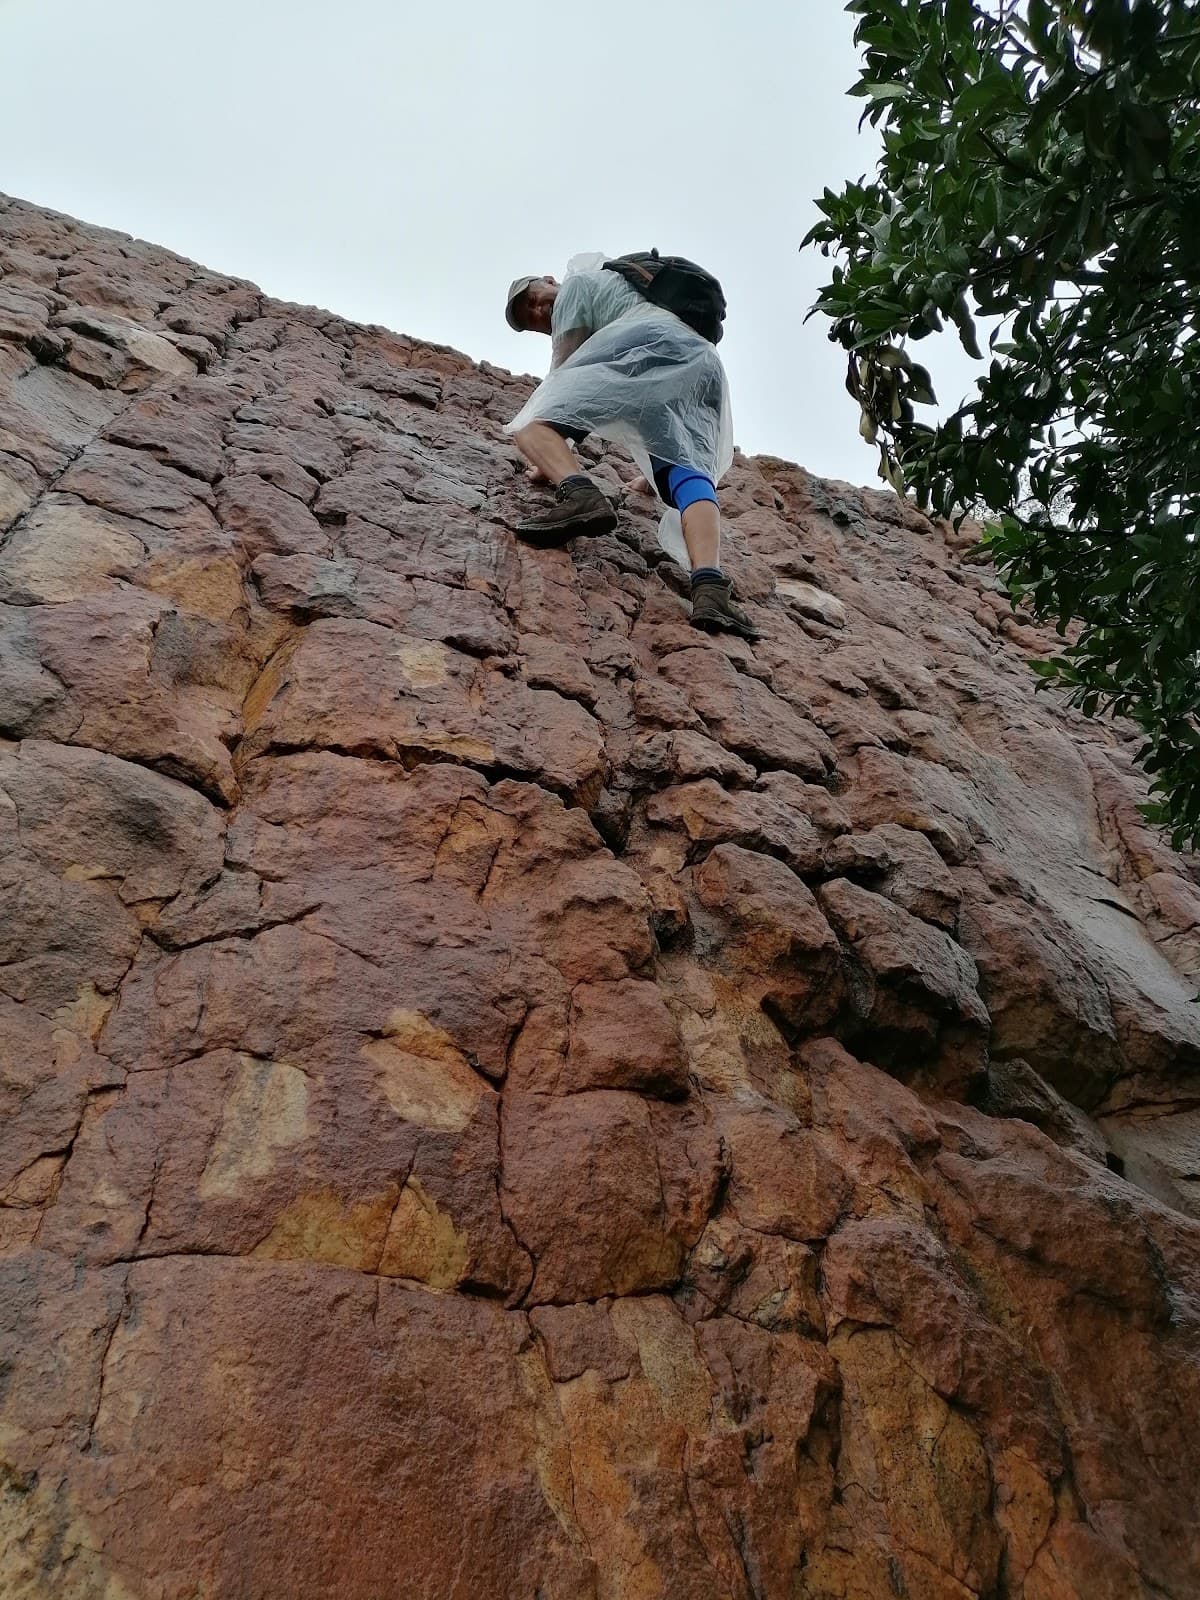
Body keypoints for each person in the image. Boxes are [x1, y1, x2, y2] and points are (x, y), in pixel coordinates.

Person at [503, 258, 759, 640]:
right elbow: (616, 408)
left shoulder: (578, 287)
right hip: (699, 363)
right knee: (686, 474)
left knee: (529, 425)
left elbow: (564, 380)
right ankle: (709, 590)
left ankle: (581, 496)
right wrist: (647, 479)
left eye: (534, 299)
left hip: (646, 346)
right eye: (532, 318)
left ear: (549, 280)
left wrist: (546, 455)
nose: (540, 311)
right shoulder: (628, 296)